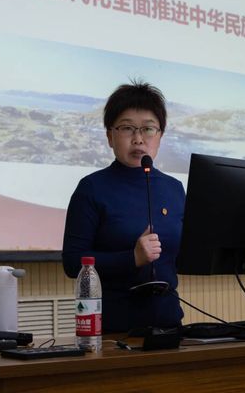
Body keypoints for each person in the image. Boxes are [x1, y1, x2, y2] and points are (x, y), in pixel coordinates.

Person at [62, 81, 184, 333]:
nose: (138, 139)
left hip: (169, 324)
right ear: (110, 136)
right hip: (114, 328)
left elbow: (183, 255)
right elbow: (73, 262)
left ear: (160, 136)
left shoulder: (174, 188)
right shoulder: (92, 188)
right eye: (127, 128)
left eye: (148, 129)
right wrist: (131, 258)